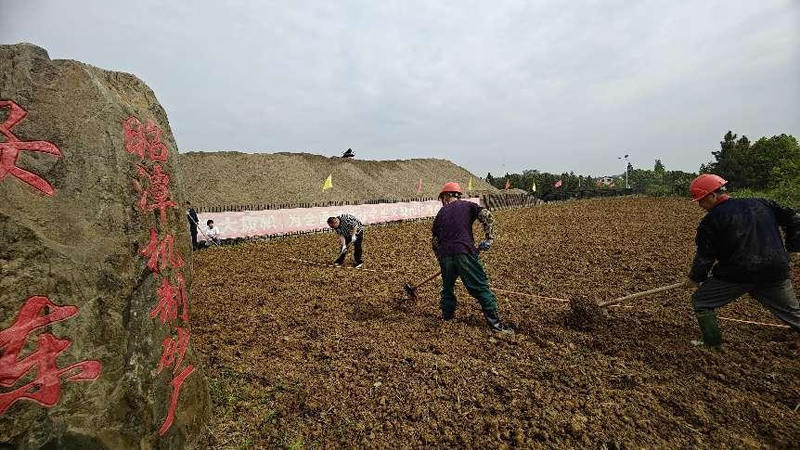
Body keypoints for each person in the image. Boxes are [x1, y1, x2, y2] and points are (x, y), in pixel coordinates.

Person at [686, 174, 800, 350]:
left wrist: (695, 278)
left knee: (701, 301)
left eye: (701, 200)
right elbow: (796, 219)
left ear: (713, 195)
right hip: (775, 269)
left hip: (737, 274)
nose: (700, 205)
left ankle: (713, 346)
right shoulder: (762, 203)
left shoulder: (711, 220)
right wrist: (793, 249)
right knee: (793, 313)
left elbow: (705, 255)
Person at [432, 182, 512, 333]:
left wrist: (442, 260)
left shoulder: (440, 213)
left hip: (446, 256)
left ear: (446, 196)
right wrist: (489, 239)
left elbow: (435, 240)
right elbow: (487, 216)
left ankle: (447, 318)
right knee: (480, 287)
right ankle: (496, 325)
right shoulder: (468, 206)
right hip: (464, 252)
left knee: (447, 288)